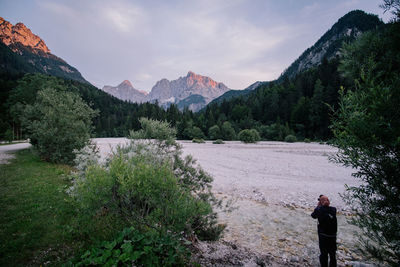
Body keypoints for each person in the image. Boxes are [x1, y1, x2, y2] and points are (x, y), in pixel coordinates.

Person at [311, 195, 337, 267]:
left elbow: (313, 216)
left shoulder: (319, 210)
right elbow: (327, 209)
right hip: (333, 236)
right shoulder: (334, 209)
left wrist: (318, 206)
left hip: (323, 236)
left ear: (321, 202)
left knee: (324, 254)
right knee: (332, 254)